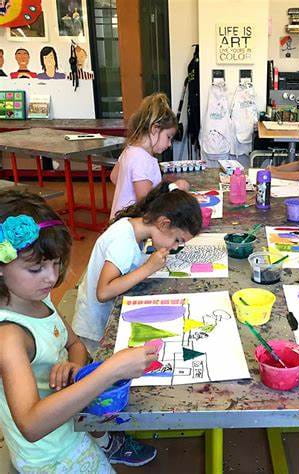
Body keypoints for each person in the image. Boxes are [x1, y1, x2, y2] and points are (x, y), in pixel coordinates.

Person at [0, 190, 159, 472]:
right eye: (37, 268)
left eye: (56, 263)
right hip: (51, 456)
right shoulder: (9, 336)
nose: (51, 277)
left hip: (72, 426)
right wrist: (110, 370)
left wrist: (73, 364)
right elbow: (31, 425)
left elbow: (73, 342)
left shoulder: (37, 296)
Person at [73, 182, 202, 356]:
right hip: (95, 327)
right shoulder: (123, 241)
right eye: (177, 240)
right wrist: (149, 268)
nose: (174, 247)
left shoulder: (134, 226)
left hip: (103, 316)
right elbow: (103, 292)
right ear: (164, 224)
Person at [109, 93, 189, 219]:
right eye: (168, 137)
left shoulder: (130, 149)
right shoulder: (142, 159)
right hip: (131, 229)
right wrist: (175, 188)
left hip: (118, 222)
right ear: (155, 129)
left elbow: (114, 177)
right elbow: (146, 203)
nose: (169, 144)